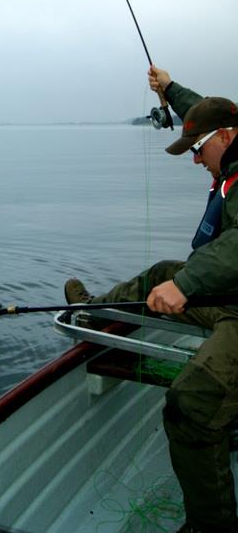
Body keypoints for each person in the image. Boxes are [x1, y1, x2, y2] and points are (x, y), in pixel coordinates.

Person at [65, 66, 238, 533]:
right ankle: (96, 312)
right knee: (163, 271)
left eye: (199, 150)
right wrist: (170, 89)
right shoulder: (227, 132)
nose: (196, 161)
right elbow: (206, 110)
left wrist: (188, 285)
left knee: (191, 408)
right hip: (230, 291)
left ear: (228, 135)